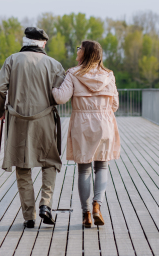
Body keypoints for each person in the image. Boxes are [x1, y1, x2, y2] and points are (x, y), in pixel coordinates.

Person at [0, 27, 66, 228]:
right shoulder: (53, 64)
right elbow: (61, 94)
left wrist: (1, 111)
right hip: (44, 120)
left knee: (22, 165)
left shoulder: (12, 60)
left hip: (18, 121)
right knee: (49, 161)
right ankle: (45, 204)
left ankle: (29, 216)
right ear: (43, 43)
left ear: (25, 41)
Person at [52, 40, 120, 228]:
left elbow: (60, 98)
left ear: (86, 53)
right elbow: (115, 105)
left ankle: (86, 214)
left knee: (84, 170)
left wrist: (51, 88)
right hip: (104, 123)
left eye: (79, 48)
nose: (77, 51)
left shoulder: (73, 74)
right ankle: (97, 206)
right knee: (102, 167)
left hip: (82, 124)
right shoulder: (109, 75)